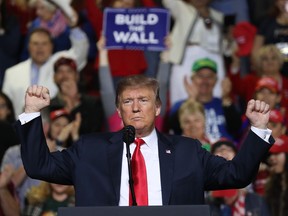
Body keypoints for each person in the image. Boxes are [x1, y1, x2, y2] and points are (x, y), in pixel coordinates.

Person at [16, 75, 273, 206]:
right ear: (118, 111)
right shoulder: (89, 150)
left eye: (144, 100)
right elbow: (40, 166)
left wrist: (259, 128)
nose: (136, 108)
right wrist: (32, 113)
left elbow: (238, 174)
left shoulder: (187, 151)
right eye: (128, 101)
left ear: (158, 107)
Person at [2, 4, 88, 118]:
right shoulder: (12, 73)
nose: (40, 48)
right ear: (28, 46)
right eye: (35, 44)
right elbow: (4, 107)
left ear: (52, 46)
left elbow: (80, 51)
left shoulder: (60, 63)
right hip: (20, 129)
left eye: (44, 44)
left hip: (53, 126)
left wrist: (74, 28)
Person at [207, 139, 271, 216]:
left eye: (229, 149)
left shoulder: (256, 201)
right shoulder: (205, 202)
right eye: (219, 150)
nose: (224, 152)